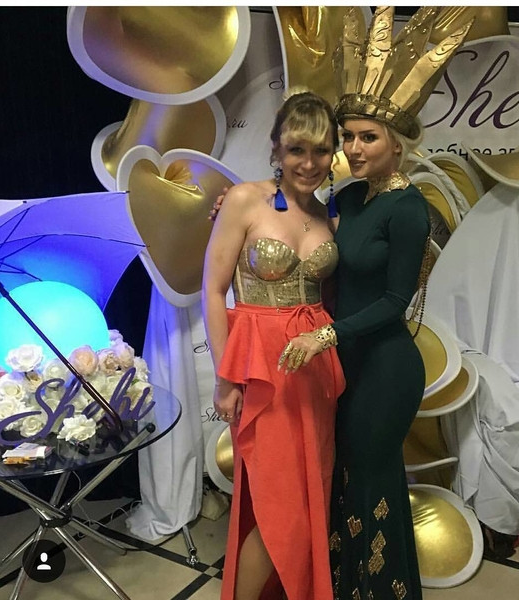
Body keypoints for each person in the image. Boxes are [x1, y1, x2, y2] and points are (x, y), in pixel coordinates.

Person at [278, 7, 472, 599]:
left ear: (397, 144)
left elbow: (394, 301)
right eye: (349, 137)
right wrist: (243, 207)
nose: (354, 148)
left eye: (368, 137)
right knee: (344, 476)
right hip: (347, 363)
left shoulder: (408, 209)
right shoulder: (350, 199)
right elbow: (301, 221)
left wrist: (325, 334)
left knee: (372, 478)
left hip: (385, 366)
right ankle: (345, 586)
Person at [201, 90, 345, 600]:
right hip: (262, 371)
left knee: (310, 497)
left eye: (321, 151)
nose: (309, 163)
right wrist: (225, 378)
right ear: (276, 149)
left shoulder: (329, 215)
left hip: (314, 369)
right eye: (296, 149)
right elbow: (213, 291)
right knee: (276, 505)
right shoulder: (243, 200)